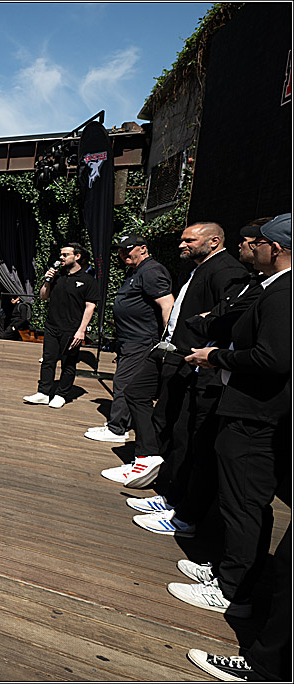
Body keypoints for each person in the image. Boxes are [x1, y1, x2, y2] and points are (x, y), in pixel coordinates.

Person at [167, 213, 290, 628]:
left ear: (274, 248)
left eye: (256, 244)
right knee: (240, 500)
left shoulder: (284, 293)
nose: (248, 249)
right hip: (250, 412)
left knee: (244, 504)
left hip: (256, 416)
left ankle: (232, 591)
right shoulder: (273, 289)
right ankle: (228, 570)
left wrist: (215, 356)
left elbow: (273, 358)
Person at [106, 222, 248, 490]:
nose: (181, 245)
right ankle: (148, 455)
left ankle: (153, 465)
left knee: (174, 418)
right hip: (169, 348)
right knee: (137, 392)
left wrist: (203, 332)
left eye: (189, 240)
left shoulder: (226, 270)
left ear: (214, 241)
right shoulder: (200, 268)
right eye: (182, 239)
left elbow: (230, 314)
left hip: (191, 355)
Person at [85, 235, 173, 443]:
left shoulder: (151, 271)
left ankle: (117, 429)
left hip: (141, 340)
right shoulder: (137, 271)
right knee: (125, 381)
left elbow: (167, 304)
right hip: (129, 340)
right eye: (121, 250)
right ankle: (118, 423)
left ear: (143, 249)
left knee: (124, 382)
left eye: (128, 249)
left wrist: (167, 338)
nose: (123, 253)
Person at [23, 244, 98, 409]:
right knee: (48, 361)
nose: (61, 258)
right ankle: (43, 393)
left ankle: (61, 394)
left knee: (68, 363)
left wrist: (81, 331)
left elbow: (90, 307)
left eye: (65, 255)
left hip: (72, 328)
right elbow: (43, 296)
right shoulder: (57, 276)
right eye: (61, 255)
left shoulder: (88, 280)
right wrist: (47, 281)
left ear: (77, 256)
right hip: (52, 326)